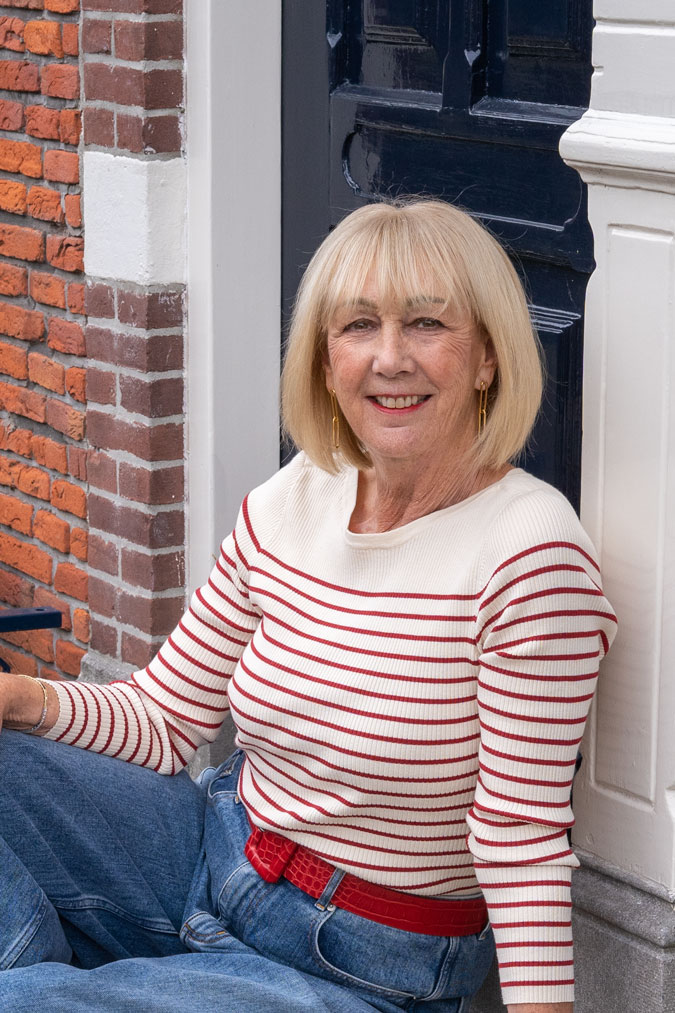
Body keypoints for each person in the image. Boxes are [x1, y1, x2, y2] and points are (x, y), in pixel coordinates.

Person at [0, 199, 617, 1013]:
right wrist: (17, 697)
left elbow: (519, 842)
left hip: (354, 962)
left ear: (487, 360)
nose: (390, 358)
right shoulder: (293, 496)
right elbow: (160, 719)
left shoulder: (528, 550)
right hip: (208, 854)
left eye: (427, 323)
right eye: (358, 325)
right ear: (326, 362)